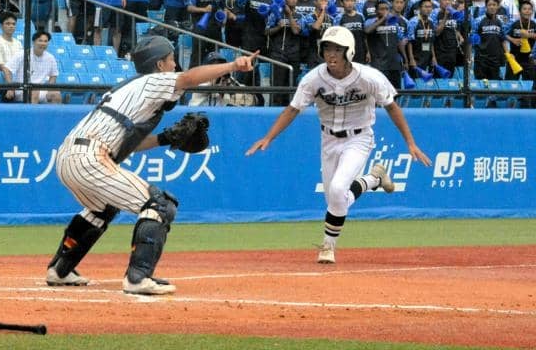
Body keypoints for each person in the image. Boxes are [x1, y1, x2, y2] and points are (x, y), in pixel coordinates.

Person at [45, 35, 259, 293]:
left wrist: (164, 138)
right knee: (160, 205)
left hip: (71, 156)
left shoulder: (133, 91)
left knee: (103, 208)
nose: (174, 65)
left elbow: (128, 143)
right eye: (171, 60)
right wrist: (233, 66)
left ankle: (60, 269)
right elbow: (189, 78)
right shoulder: (152, 81)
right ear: (159, 64)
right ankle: (138, 278)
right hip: (90, 157)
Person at [246, 26, 431, 264]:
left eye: (337, 49)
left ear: (349, 51)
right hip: (329, 139)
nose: (331, 54)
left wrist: (410, 143)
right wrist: (269, 137)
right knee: (335, 199)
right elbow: (293, 109)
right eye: (327, 49)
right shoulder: (314, 79)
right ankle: (373, 180)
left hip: (359, 138)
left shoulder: (369, 77)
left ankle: (328, 247)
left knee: (337, 189)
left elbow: (392, 107)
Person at [3, 31, 61, 104]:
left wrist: (49, 88)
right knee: (34, 92)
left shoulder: (50, 58)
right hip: (22, 89)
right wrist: (10, 88)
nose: (43, 43)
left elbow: (53, 75)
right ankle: (32, 111)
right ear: (33, 42)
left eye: (45, 41)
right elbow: (6, 69)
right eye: (40, 41)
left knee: (56, 94)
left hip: (42, 89)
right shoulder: (22, 54)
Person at [0, 12, 24, 103]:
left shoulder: (18, 43)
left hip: (18, 78)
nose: (11, 26)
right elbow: (2, 68)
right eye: (8, 24)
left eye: (13, 24)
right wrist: (10, 86)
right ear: (1, 26)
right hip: (3, 80)